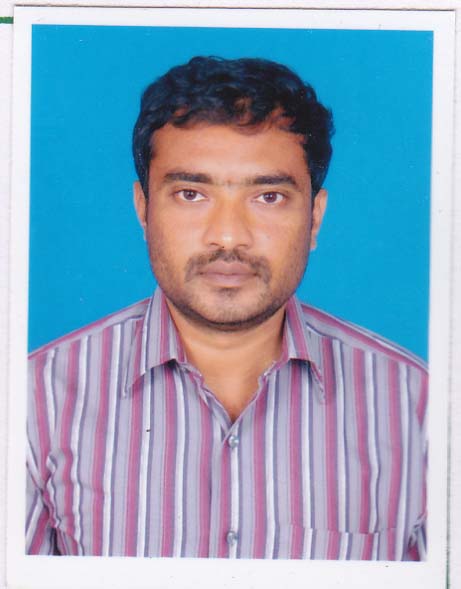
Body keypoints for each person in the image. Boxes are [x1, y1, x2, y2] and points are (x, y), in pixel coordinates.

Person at [26, 56, 427, 560]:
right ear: (144, 209)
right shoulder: (33, 402)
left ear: (315, 217)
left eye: (269, 197)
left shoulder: (420, 406)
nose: (229, 236)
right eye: (191, 194)